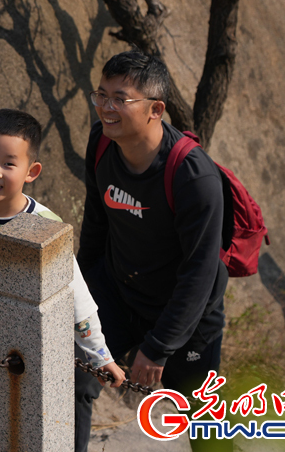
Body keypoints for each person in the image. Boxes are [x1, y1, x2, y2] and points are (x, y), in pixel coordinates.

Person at [0, 109, 125, 452]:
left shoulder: (45, 226)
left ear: (32, 171)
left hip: (20, 376)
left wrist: (99, 355)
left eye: (8, 163)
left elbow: (78, 300)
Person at [75, 51, 229, 452]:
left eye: (120, 99)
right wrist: (79, 301)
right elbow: (96, 225)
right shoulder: (101, 143)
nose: (106, 108)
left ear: (155, 109)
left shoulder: (194, 178)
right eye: (101, 95)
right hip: (119, 290)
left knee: (203, 424)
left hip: (185, 316)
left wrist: (158, 346)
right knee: (71, 374)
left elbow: (200, 275)